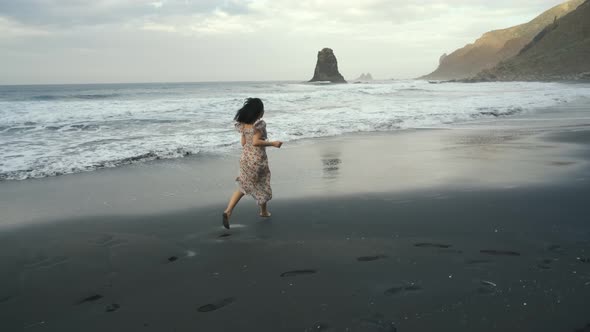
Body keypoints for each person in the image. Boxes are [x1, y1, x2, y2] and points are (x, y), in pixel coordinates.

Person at [223, 98, 283, 229]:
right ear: (258, 113)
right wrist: (273, 143)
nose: (263, 112)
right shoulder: (259, 125)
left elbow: (243, 143)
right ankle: (260, 211)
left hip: (245, 159)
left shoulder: (243, 125)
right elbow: (256, 142)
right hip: (257, 160)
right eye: (262, 110)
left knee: (243, 185)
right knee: (262, 183)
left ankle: (231, 211)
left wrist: (248, 138)